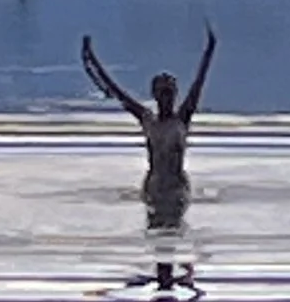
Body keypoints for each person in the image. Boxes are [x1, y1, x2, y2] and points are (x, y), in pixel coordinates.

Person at [81, 22, 217, 215]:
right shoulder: (148, 120)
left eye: (169, 93)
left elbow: (199, 82)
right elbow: (115, 90)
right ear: (155, 95)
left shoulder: (182, 119)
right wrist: (91, 60)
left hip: (177, 189)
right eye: (163, 93)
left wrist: (210, 50)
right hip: (153, 188)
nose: (166, 98)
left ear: (175, 95)